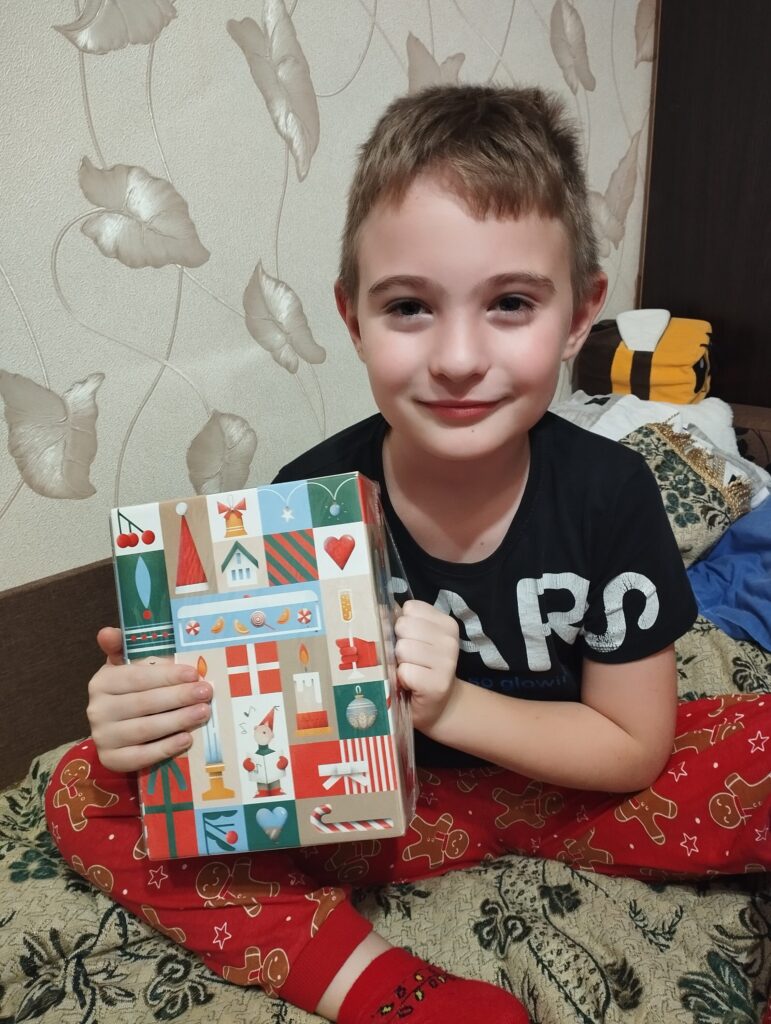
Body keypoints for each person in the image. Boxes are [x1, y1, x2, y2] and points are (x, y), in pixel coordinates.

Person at [45, 85, 769, 1024]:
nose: (458, 357)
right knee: (86, 789)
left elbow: (634, 748)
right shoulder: (306, 498)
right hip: (383, 812)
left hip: (572, 785)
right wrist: (156, 717)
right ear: (353, 318)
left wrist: (455, 704)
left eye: (510, 303)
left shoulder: (611, 491)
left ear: (578, 317)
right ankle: (386, 992)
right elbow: (254, 743)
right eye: (409, 307)